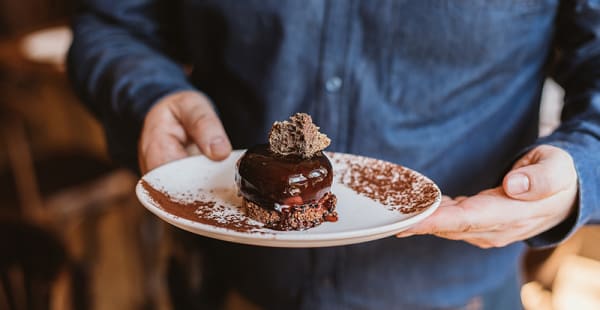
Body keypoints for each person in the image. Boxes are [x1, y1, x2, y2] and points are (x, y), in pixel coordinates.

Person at [67, 1, 600, 309]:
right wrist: (150, 95)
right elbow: (111, 25)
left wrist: (580, 167)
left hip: (459, 298)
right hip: (233, 289)